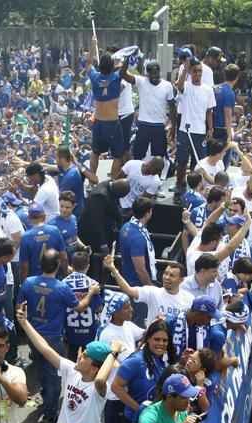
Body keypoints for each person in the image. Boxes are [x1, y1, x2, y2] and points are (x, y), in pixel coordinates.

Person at [16, 301, 118, 423]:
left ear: (94, 367)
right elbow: (45, 349)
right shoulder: (72, 371)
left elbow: (100, 379)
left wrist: (113, 353)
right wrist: (25, 323)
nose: (79, 356)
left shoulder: (100, 388)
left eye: (85, 356)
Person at [16, 250, 97, 423]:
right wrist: (91, 292)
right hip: (52, 338)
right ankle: (50, 413)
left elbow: (19, 307)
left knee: (40, 368)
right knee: (54, 375)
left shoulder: (28, 283)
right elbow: (80, 307)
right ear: (58, 265)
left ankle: (46, 399)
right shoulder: (61, 288)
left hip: (33, 335)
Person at [85, 35, 127, 180]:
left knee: (95, 152)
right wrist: (124, 56)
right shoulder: (116, 77)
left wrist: (93, 45)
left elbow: (88, 63)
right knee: (118, 155)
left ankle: (92, 179)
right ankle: (113, 181)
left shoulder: (94, 77)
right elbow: (124, 67)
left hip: (98, 122)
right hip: (112, 123)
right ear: (111, 66)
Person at [106, 257, 194, 323]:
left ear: (181, 280)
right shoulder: (153, 292)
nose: (167, 277)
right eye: (165, 273)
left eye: (172, 275)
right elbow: (128, 290)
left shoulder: (190, 299)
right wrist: (113, 270)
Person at [173, 59, 215, 195]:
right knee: (182, 160)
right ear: (191, 73)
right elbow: (179, 86)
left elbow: (209, 111)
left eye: (200, 71)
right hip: (185, 131)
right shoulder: (186, 86)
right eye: (195, 71)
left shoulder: (208, 90)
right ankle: (179, 184)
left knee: (197, 163)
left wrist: (210, 128)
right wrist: (185, 69)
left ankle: (194, 187)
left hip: (200, 131)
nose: (198, 74)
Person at [135, 373, 202, 423]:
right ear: (170, 397)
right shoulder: (149, 414)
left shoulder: (182, 410)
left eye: (189, 397)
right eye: (184, 397)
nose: (188, 402)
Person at [124, 59, 175, 160]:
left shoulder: (167, 86)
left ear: (160, 72)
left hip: (159, 126)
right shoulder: (141, 81)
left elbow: (172, 107)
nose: (155, 76)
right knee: (138, 155)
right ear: (147, 74)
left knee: (159, 158)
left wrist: (173, 126)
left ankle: (156, 171)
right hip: (144, 125)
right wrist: (127, 59)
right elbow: (123, 75)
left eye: (156, 73)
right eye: (152, 74)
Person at [118, 196, 157, 288]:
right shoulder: (137, 237)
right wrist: (151, 288)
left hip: (128, 277)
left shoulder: (126, 226)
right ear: (148, 213)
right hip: (137, 285)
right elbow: (140, 270)